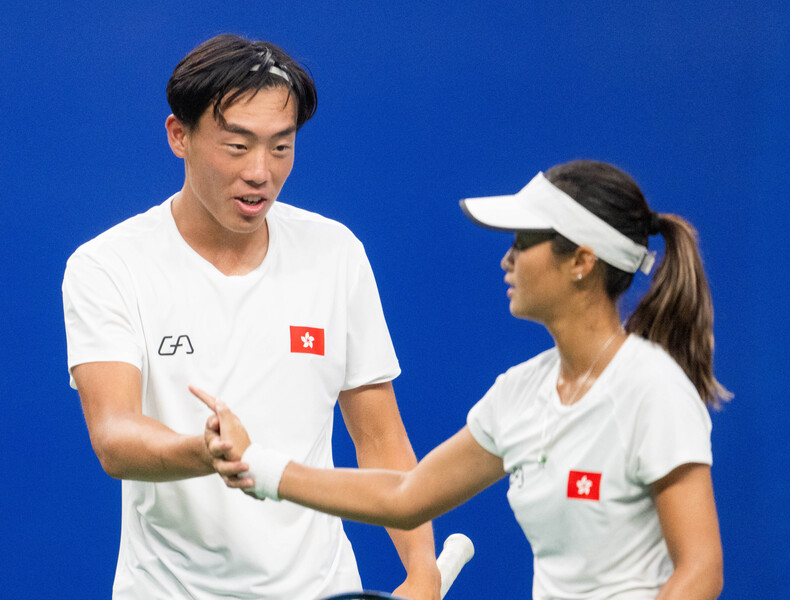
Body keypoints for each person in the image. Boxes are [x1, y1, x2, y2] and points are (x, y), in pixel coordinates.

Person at [193, 160, 728, 600]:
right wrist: (255, 463)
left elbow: (700, 570)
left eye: (523, 241)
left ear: (581, 261)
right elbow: (406, 495)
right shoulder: (520, 394)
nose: (508, 258)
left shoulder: (654, 390)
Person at [62, 34, 440, 600]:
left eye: (281, 147)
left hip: (324, 587)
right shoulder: (107, 265)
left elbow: (381, 438)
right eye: (237, 146)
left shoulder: (335, 253)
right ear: (179, 136)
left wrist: (423, 572)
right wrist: (207, 452)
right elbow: (114, 435)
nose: (261, 172)